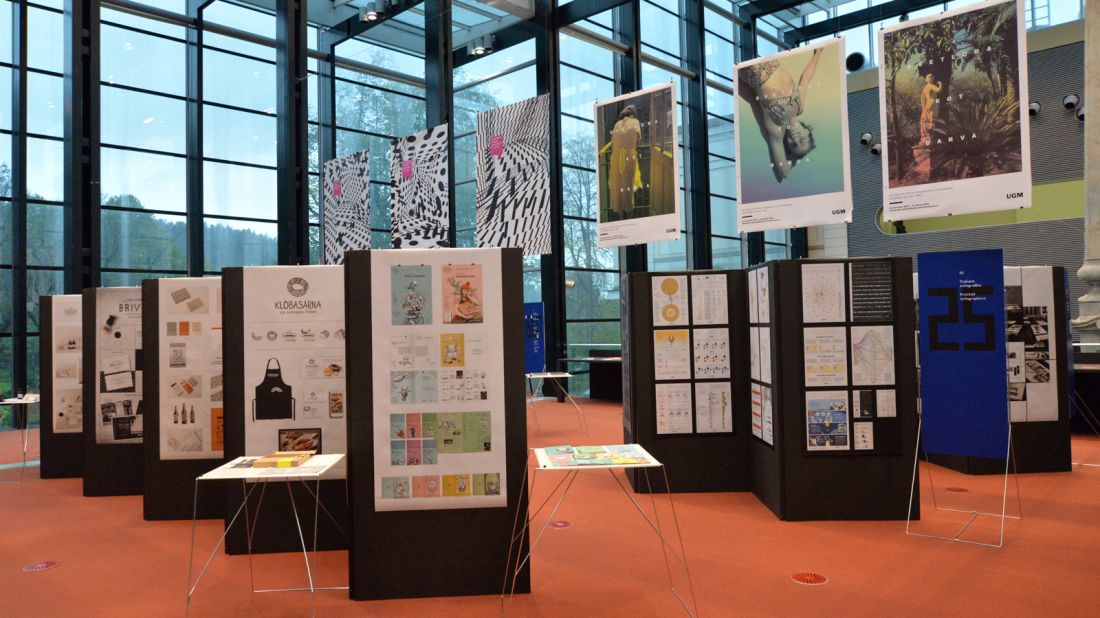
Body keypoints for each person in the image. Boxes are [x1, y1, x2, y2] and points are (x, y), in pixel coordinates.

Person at [738, 47, 823, 183]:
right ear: (808, 131)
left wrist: (792, 159)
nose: (796, 140)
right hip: (768, 60)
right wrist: (818, 53)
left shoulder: (777, 129)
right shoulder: (800, 107)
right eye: (802, 141)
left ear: (787, 144)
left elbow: (784, 173)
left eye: (794, 145)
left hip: (750, 68)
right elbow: (806, 79)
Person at [599, 104, 643, 218]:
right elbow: (638, 141)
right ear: (633, 115)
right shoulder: (635, 122)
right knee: (629, 185)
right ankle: (629, 215)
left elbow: (613, 142)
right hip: (629, 156)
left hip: (616, 157)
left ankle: (621, 216)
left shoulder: (617, 125)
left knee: (617, 186)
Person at [919, 73, 942, 145]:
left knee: (925, 120)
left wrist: (923, 108)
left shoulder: (925, 88)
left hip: (927, 106)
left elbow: (922, 99)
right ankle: (929, 138)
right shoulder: (932, 86)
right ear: (932, 79)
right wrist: (940, 83)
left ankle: (925, 137)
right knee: (932, 120)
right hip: (932, 104)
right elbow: (939, 90)